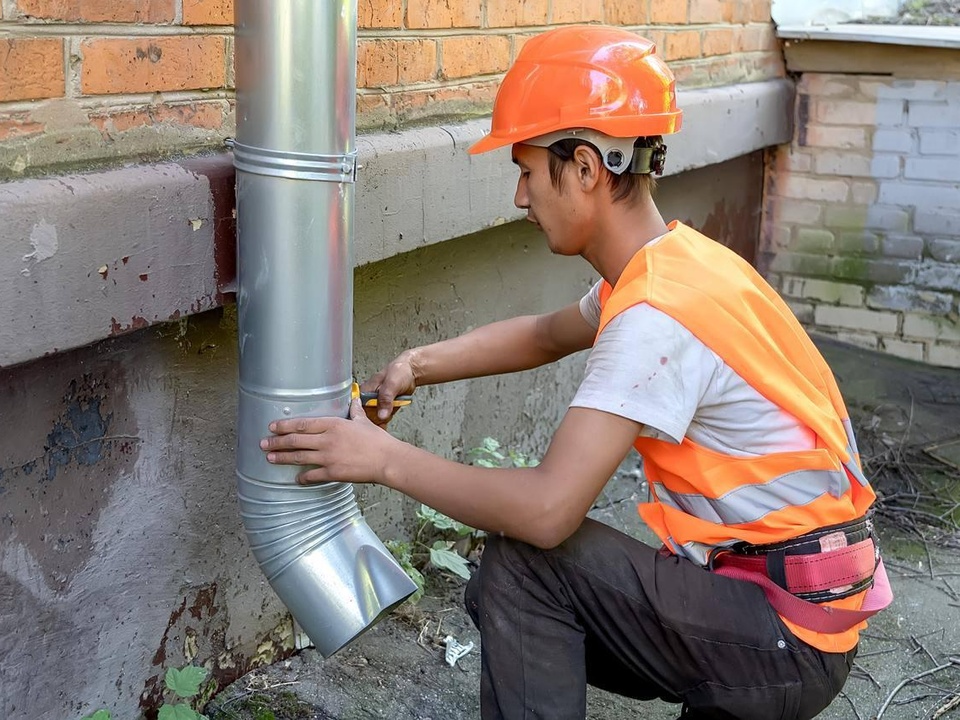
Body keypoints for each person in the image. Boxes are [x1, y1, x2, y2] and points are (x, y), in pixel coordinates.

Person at [259, 25, 891, 720]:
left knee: (525, 566)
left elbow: (549, 512)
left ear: (586, 168)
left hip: (783, 636)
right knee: (507, 581)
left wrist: (381, 460)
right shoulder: (674, 266)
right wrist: (416, 365)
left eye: (527, 171)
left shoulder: (658, 316)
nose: (521, 197)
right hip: (798, 603)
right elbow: (541, 335)